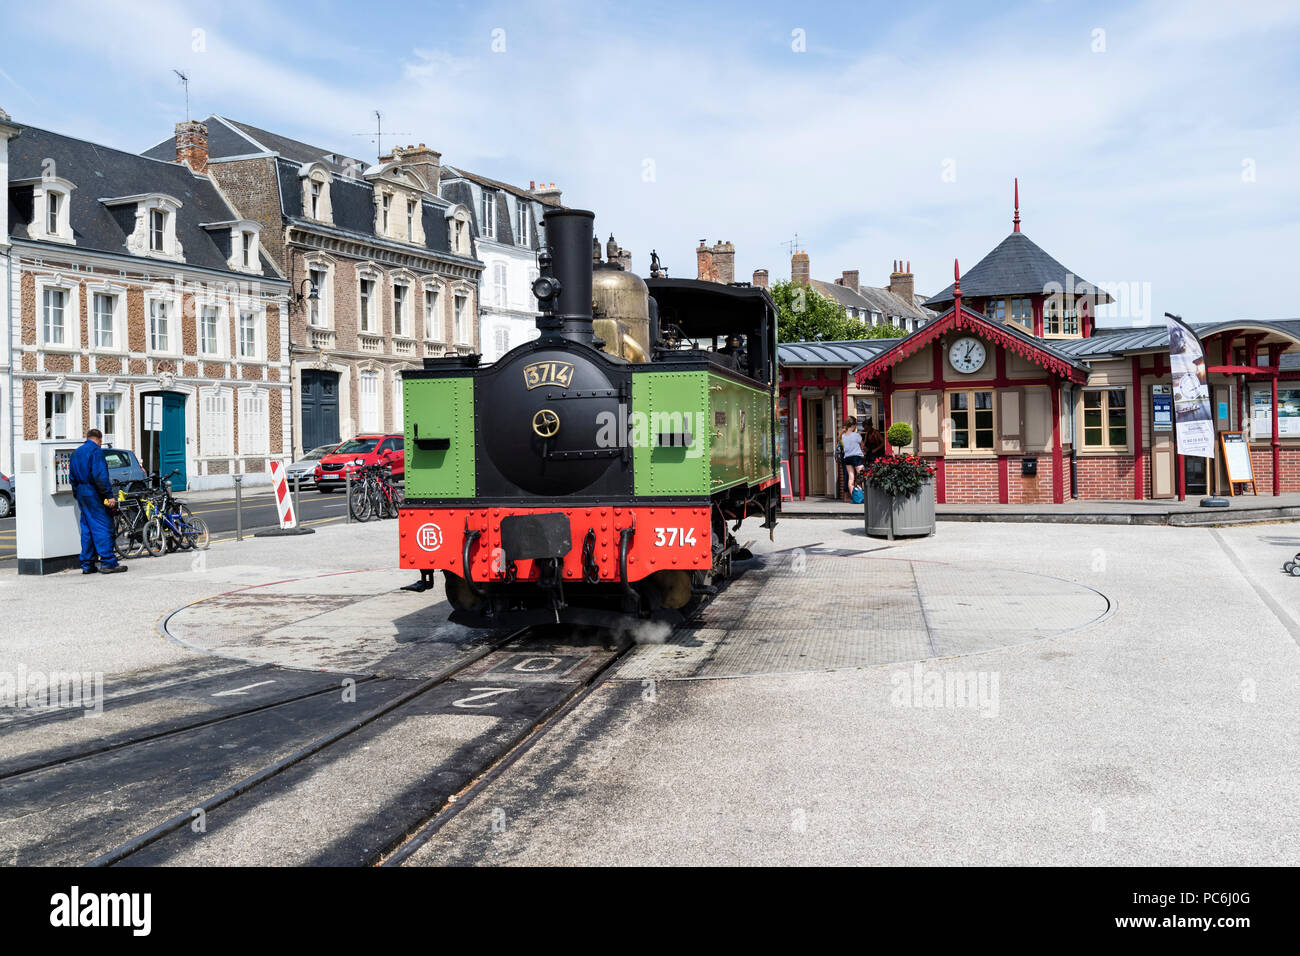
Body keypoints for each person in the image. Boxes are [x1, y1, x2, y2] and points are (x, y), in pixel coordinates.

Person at [69, 428, 126, 574]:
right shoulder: (96, 452)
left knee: (87, 528)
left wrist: (77, 493)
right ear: (99, 439)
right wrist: (108, 495)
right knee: (103, 526)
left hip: (82, 492)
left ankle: (87, 564)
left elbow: (72, 478)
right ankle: (108, 562)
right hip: (93, 492)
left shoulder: (76, 453)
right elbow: (100, 476)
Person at [840, 416, 864, 500]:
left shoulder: (843, 436)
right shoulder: (856, 435)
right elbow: (862, 446)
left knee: (851, 478)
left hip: (847, 458)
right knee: (862, 476)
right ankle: (864, 496)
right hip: (856, 457)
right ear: (854, 425)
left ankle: (854, 497)